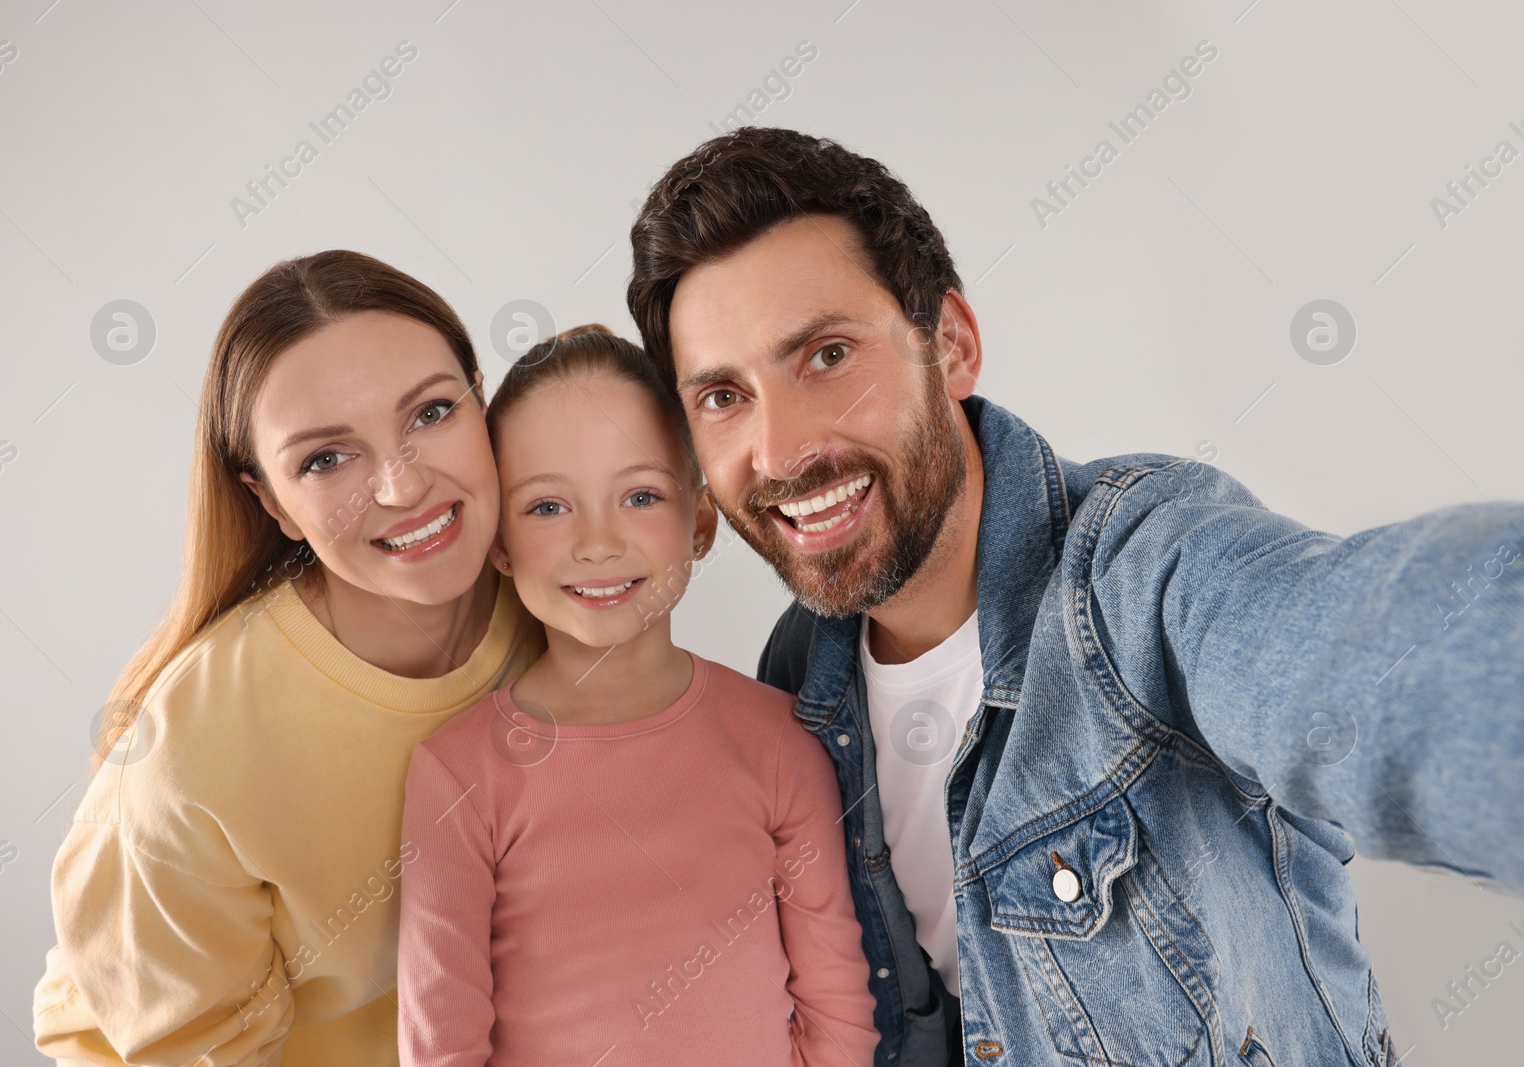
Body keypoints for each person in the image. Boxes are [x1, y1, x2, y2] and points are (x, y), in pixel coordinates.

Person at [625, 127, 1524, 1066]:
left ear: (952, 345)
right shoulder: (799, 677)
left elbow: (1368, 659)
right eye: (723, 397)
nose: (780, 450)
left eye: (826, 356)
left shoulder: (1147, 574)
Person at [31, 250, 545, 1065]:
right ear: (272, 501)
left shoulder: (559, 597)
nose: (401, 486)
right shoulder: (196, 748)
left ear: (481, 398)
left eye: (431, 413)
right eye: (325, 459)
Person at [396, 325, 880, 1066]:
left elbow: (838, 1011)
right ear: (498, 541)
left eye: (641, 495)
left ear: (700, 521)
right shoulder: (458, 774)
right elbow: (442, 1044)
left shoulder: (780, 742)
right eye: (548, 507)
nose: (597, 541)